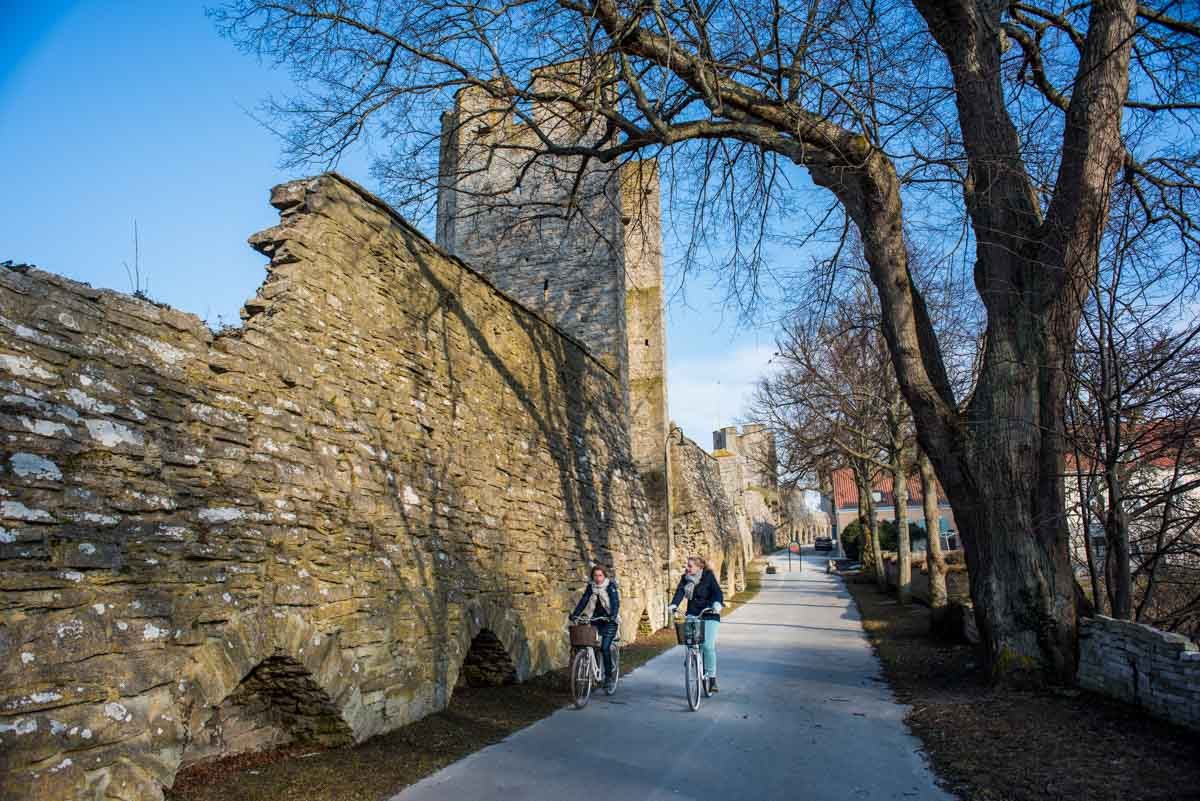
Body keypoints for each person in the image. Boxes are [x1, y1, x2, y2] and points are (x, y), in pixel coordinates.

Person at [668, 555, 724, 693]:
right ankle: (691, 655)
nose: (686, 568)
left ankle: (711, 678)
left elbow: (717, 592)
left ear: (699, 567)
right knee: (690, 640)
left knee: (708, 646)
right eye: (686, 565)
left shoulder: (708, 576)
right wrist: (673, 605)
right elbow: (680, 592)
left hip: (710, 613)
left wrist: (717, 604)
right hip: (693, 613)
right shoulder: (685, 579)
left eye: (689, 566)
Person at [571, 564, 620, 690]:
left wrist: (613, 615)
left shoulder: (610, 586)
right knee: (590, 645)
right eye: (595, 575)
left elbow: (615, 602)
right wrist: (575, 614)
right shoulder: (591, 587)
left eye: (600, 575)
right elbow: (584, 600)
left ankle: (608, 677)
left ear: (604, 576)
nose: (598, 578)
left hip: (609, 621)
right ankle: (592, 673)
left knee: (604, 648)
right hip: (595, 619)